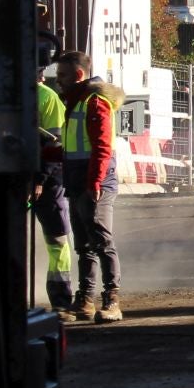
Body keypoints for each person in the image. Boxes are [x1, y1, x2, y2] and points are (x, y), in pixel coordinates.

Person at [56, 50, 125, 324]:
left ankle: (111, 300)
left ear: (78, 75)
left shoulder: (94, 102)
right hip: (78, 182)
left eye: (62, 75)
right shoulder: (77, 101)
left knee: (101, 241)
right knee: (84, 244)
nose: (57, 81)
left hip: (94, 184)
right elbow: (73, 148)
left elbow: (101, 146)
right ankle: (85, 300)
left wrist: (94, 182)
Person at [32, 70, 73, 312]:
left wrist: (38, 180)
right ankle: (60, 298)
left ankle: (61, 298)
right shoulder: (47, 97)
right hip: (42, 180)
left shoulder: (46, 98)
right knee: (56, 239)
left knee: (56, 239)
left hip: (47, 181)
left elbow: (54, 143)